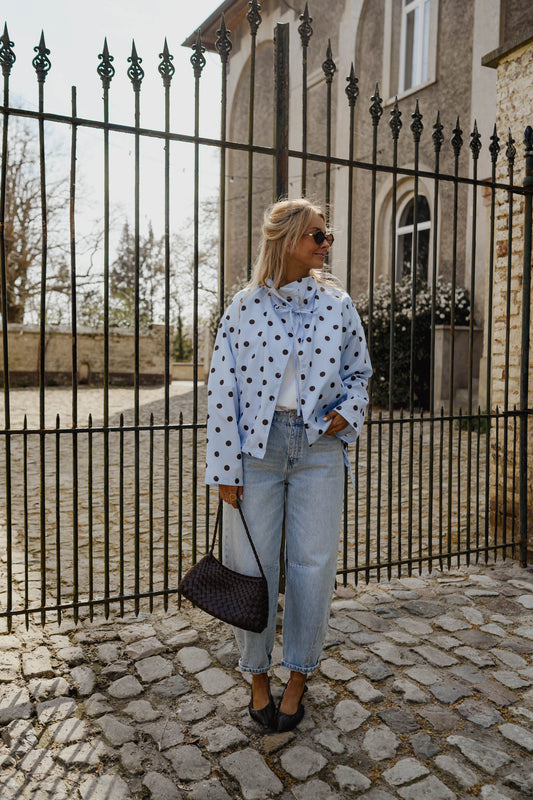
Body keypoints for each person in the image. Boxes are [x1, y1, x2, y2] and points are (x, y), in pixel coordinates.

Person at [205, 198, 372, 732]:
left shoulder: (339, 305)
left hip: (319, 449)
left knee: (312, 567)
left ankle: (299, 674)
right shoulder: (243, 308)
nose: (326, 244)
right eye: (317, 236)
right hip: (257, 452)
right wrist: (224, 468)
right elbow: (221, 391)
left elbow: (360, 375)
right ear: (287, 239)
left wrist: (347, 413)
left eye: (328, 235)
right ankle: (257, 675)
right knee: (250, 569)